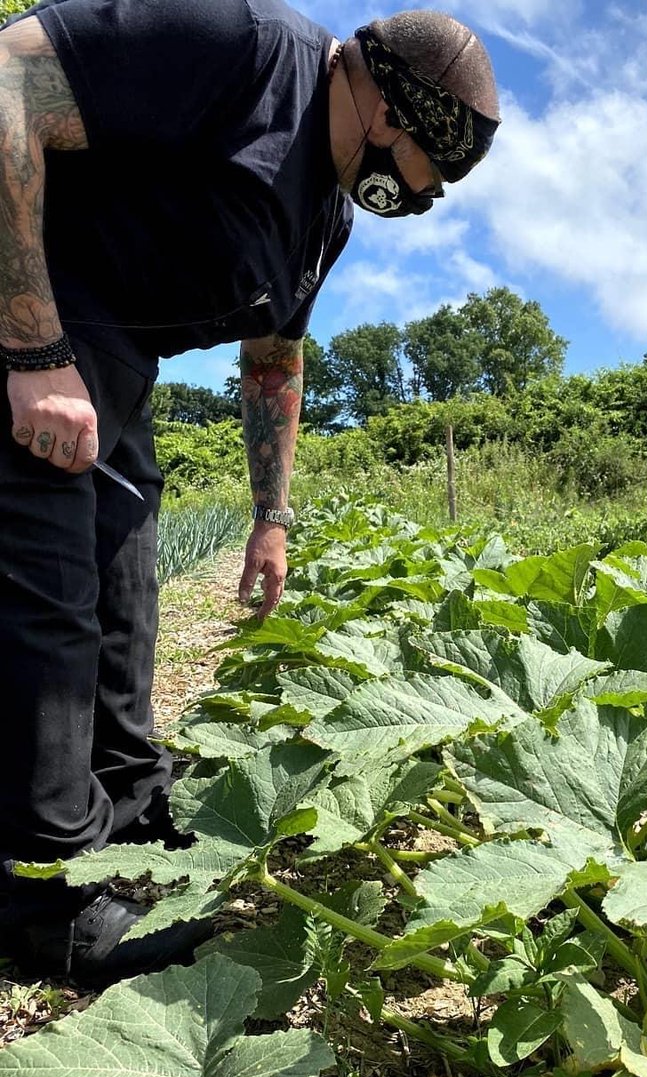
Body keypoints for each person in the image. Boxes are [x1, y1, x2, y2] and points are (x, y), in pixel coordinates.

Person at [0, 0, 499, 987]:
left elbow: (273, 363)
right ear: (392, 116)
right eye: (418, 185)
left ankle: (132, 815)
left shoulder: (324, 217)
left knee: (125, 591)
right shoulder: (239, 49)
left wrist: (271, 519)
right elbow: (9, 78)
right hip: (32, 310)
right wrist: (29, 346)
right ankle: (37, 903)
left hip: (112, 356)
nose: (408, 203)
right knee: (52, 599)